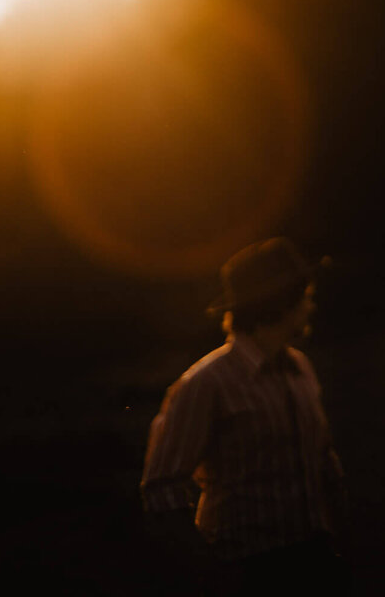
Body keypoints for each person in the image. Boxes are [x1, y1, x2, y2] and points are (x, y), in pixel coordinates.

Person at [140, 237, 348, 595]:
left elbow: (323, 459)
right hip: (248, 571)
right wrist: (211, 570)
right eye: (306, 294)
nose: (312, 304)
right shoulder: (207, 384)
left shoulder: (300, 368)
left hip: (315, 561)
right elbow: (161, 487)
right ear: (281, 302)